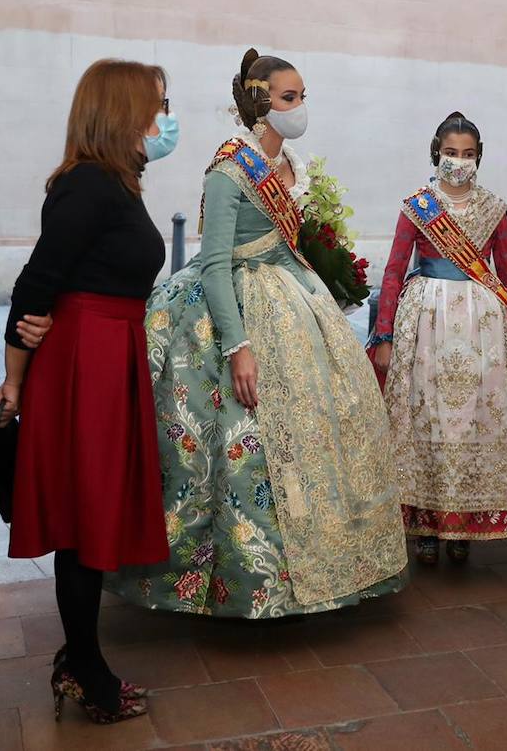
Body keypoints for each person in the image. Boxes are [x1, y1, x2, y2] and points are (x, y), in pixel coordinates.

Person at [104, 49, 406, 618]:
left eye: (302, 96)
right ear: (260, 102)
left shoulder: (291, 164)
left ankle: (337, 564)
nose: (300, 108)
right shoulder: (228, 169)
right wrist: (238, 346)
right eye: (290, 98)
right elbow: (215, 263)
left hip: (296, 302)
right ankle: (245, 582)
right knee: (241, 447)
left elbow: (290, 242)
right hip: (236, 310)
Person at [0, 59, 171, 724]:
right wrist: (14, 378)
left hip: (104, 350)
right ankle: (86, 669)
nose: (160, 118)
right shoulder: (89, 184)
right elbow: (34, 283)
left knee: (91, 511)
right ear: (120, 111)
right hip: (86, 360)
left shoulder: (114, 180)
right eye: (154, 105)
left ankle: (79, 659)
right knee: (82, 515)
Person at [371, 113, 507, 565]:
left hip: (484, 329)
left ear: (479, 158)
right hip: (426, 324)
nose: (459, 162)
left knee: (472, 418)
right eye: (451, 154)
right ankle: (427, 523)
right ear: (437, 153)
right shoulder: (418, 205)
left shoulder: (495, 207)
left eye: (468, 155)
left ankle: (464, 525)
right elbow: (394, 270)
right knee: (427, 418)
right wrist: (385, 334)